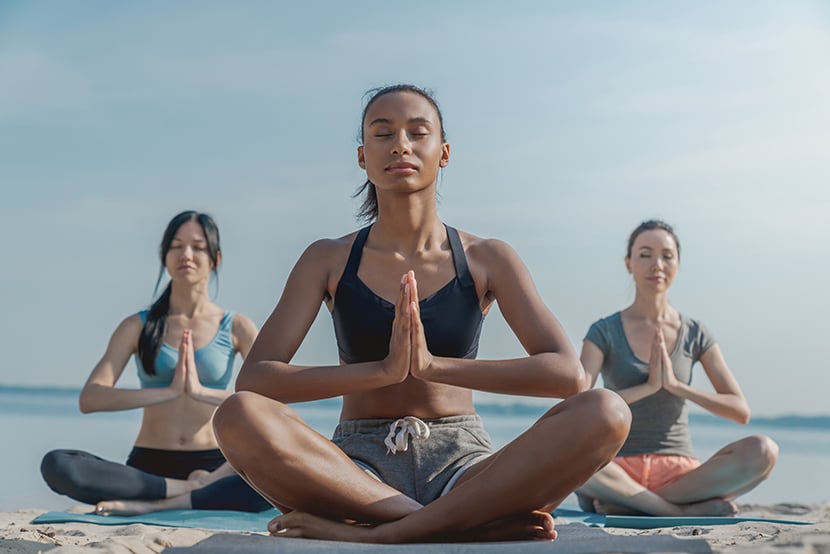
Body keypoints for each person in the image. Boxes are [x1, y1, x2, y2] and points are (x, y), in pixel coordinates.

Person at [212, 84, 632, 544]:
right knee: (237, 416)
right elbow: (257, 380)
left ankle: (385, 534)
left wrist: (435, 367)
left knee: (606, 410)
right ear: (362, 156)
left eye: (418, 132)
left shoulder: (488, 257)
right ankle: (449, 523)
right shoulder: (327, 259)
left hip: (465, 465)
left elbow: (567, 375)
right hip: (355, 472)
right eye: (383, 132)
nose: (400, 145)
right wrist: (382, 371)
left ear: (444, 152)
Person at [40, 210, 271, 515]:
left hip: (215, 465)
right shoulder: (138, 326)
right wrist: (167, 392)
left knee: (283, 472)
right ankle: (184, 492)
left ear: (215, 258)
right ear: (164, 255)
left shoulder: (236, 326)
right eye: (176, 245)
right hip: (148, 470)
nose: (186, 254)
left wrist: (201, 392)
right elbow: (91, 398)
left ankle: (155, 506)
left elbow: (269, 404)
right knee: (57, 465)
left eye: (198, 247)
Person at [575, 219, 779, 517]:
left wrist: (676, 386)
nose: (656, 264)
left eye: (667, 256)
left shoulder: (696, 333)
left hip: (681, 475)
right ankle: (674, 511)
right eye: (645, 254)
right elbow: (577, 409)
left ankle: (633, 505)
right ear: (628, 263)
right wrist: (648, 387)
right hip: (614, 469)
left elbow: (740, 410)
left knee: (764, 451)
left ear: (678, 264)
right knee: (571, 455)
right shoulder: (603, 331)